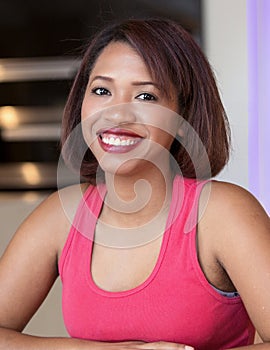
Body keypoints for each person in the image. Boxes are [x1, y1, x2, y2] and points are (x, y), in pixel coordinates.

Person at [0, 18, 269, 350]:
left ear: (183, 117)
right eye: (102, 90)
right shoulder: (61, 216)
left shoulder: (223, 213)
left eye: (145, 95)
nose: (117, 114)